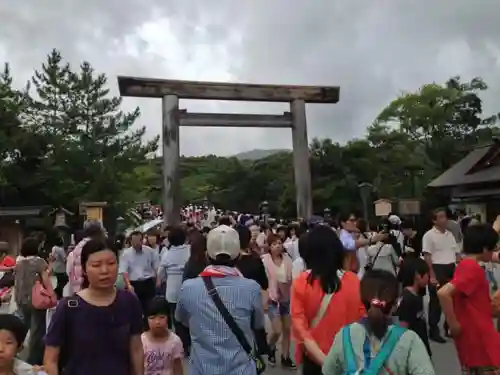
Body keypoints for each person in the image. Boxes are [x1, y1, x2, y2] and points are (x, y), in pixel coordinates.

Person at [44, 238, 144, 375]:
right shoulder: (68, 307)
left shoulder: (129, 302)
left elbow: (136, 349)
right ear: (84, 269)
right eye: (96, 265)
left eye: (111, 263)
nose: (104, 270)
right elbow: (51, 359)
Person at [176, 225, 266, 375]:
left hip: (203, 369)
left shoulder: (188, 288)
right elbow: (258, 324)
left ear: (207, 255)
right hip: (242, 369)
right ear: (238, 255)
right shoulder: (252, 288)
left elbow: (182, 320)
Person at [322, 270, 435, 375]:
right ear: (395, 305)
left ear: (362, 301)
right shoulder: (409, 340)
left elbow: (328, 370)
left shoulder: (344, 336)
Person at [291, 226, 365, 375]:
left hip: (315, 361)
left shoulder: (302, 283)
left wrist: (327, 363)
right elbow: (362, 319)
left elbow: (301, 330)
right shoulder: (352, 280)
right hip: (349, 360)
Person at [438, 223, 500, 374]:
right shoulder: (473, 268)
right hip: (480, 335)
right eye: (493, 248)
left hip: (474, 332)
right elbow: (443, 293)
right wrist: (453, 325)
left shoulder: (465, 264)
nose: (494, 252)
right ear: (485, 249)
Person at [422, 207, 460, 343]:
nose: (445, 219)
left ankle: (448, 326)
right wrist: (431, 275)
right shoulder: (429, 235)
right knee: (436, 301)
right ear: (434, 220)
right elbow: (427, 256)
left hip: (451, 267)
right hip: (438, 268)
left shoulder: (449, 234)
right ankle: (433, 329)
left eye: (445, 216)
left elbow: (455, 253)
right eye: (441, 217)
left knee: (453, 299)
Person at [14, 237, 50, 366]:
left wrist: (17, 298)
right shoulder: (39, 262)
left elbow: (17, 283)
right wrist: (51, 294)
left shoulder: (19, 263)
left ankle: (15, 350)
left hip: (22, 300)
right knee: (38, 330)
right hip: (37, 299)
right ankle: (35, 359)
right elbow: (46, 280)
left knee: (25, 326)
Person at [261, 233, 294, 368]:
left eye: (280, 243)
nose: (278, 246)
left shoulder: (287, 259)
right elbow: (263, 281)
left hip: (286, 297)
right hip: (272, 298)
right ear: (269, 247)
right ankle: (271, 347)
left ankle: (285, 357)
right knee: (277, 330)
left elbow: (291, 277)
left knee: (287, 329)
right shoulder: (265, 260)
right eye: (274, 244)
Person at [396, 258, 432, 356]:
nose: (428, 278)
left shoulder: (417, 295)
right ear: (417, 275)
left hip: (421, 344)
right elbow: (403, 328)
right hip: (414, 350)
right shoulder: (407, 299)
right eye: (427, 275)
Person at [121, 231, 159, 321]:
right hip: (134, 284)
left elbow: (156, 267)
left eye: (138, 240)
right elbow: (124, 271)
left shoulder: (149, 251)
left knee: (150, 308)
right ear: (130, 241)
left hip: (148, 282)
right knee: (135, 309)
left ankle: (148, 328)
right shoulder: (126, 254)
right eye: (134, 240)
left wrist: (158, 280)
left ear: (142, 240)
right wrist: (128, 285)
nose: (136, 243)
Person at [142, 297, 183, 375]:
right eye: (152, 318)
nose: (157, 322)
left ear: (168, 317)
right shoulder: (142, 341)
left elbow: (178, 368)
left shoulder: (175, 341)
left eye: (162, 317)